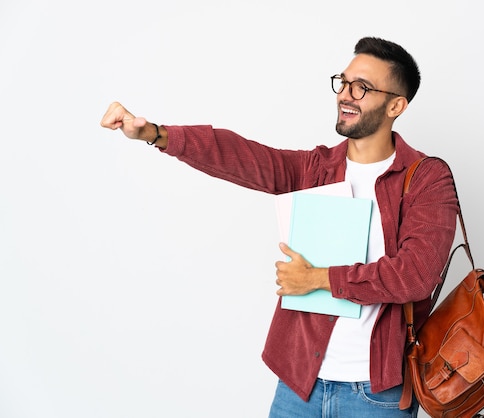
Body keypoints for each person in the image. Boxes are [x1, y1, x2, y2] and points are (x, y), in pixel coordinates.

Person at [100, 37, 458, 418]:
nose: (346, 95)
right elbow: (242, 156)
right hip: (300, 384)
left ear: (396, 105)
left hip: (377, 394)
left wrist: (319, 279)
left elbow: (416, 275)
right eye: (344, 82)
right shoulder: (317, 169)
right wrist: (156, 133)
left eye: (362, 87)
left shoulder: (426, 178)